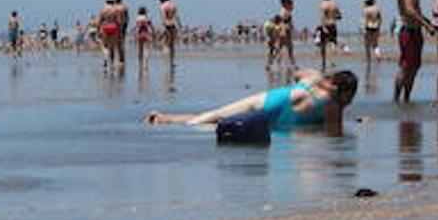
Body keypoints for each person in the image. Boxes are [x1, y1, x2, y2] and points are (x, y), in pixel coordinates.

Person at [145, 69, 358, 135]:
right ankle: (170, 124)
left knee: (217, 115)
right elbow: (334, 135)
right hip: (277, 119)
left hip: (271, 100)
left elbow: (296, 72)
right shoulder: (334, 104)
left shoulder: (313, 77)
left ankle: (164, 119)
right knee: (216, 124)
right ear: (346, 92)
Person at [394, 0, 438, 103]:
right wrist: (426, 26)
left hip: (415, 30)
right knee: (406, 67)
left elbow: (416, 11)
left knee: (414, 67)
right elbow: (409, 10)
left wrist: (428, 22)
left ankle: (406, 99)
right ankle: (396, 99)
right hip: (408, 30)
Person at [99, 0, 127, 72]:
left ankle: (106, 56)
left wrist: (99, 30)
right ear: (113, 1)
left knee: (105, 45)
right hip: (114, 27)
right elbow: (118, 21)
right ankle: (112, 62)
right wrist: (120, 30)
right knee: (113, 46)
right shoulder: (115, 10)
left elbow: (99, 21)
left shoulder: (103, 10)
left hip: (105, 27)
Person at [317, 0, 342, 70]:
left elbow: (322, 16)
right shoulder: (334, 4)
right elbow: (340, 16)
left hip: (326, 25)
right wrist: (334, 17)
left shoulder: (323, 4)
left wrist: (323, 27)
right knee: (333, 43)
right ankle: (332, 61)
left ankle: (323, 62)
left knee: (323, 44)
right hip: (333, 25)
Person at [361, 0, 383, 73]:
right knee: (375, 44)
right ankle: (378, 56)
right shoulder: (377, 9)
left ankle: (368, 60)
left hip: (368, 27)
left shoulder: (366, 10)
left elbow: (365, 20)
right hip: (376, 27)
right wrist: (379, 27)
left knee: (367, 45)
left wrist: (363, 29)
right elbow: (380, 19)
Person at [157, 0, 179, 69]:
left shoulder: (162, 6)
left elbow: (163, 18)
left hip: (166, 25)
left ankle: (167, 62)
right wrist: (180, 25)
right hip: (173, 25)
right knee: (172, 45)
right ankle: (172, 61)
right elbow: (176, 17)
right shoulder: (173, 5)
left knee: (166, 45)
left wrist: (162, 28)